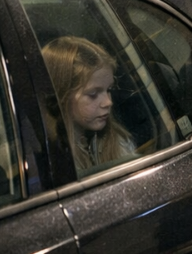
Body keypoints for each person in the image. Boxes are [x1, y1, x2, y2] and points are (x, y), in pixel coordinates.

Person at [41, 36, 137, 173]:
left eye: (108, 90)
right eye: (93, 94)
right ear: (61, 96)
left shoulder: (117, 141)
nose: (108, 102)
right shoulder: (50, 160)